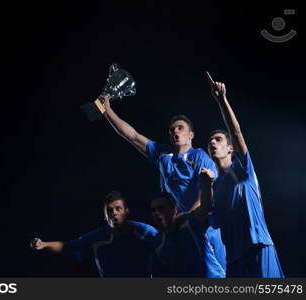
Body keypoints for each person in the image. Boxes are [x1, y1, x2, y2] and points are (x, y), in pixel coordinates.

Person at [100, 95, 226, 271]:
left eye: (180, 128)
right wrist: (106, 110)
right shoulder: (162, 154)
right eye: (172, 129)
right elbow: (132, 136)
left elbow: (205, 196)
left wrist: (186, 219)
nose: (175, 131)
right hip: (175, 228)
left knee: (215, 276)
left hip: (203, 227)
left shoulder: (200, 157)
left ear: (191, 135)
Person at [205, 71, 284, 277]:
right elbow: (213, 221)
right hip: (234, 260)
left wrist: (222, 100)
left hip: (259, 247)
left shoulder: (241, 169)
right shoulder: (214, 185)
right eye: (210, 141)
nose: (213, 142)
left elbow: (236, 132)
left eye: (219, 140)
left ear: (230, 148)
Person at [30, 191, 158, 277]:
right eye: (109, 210)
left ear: (127, 211)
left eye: (118, 208)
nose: (114, 213)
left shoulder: (146, 232)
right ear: (105, 216)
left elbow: (167, 249)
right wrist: (44, 244)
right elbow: (67, 246)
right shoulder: (97, 237)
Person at [150, 169, 225, 278]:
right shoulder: (157, 244)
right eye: (153, 210)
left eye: (161, 208)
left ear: (174, 210)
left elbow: (206, 207)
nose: (157, 213)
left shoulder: (188, 222)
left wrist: (207, 183)